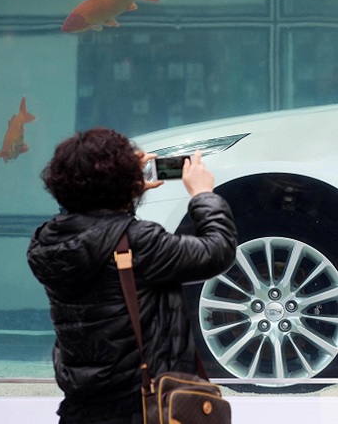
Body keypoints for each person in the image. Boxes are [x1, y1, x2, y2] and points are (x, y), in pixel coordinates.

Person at [27, 127, 237, 424]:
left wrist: (122, 193)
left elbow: (96, 231)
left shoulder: (47, 245)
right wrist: (203, 195)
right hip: (141, 408)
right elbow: (217, 251)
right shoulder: (139, 242)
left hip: (80, 409)